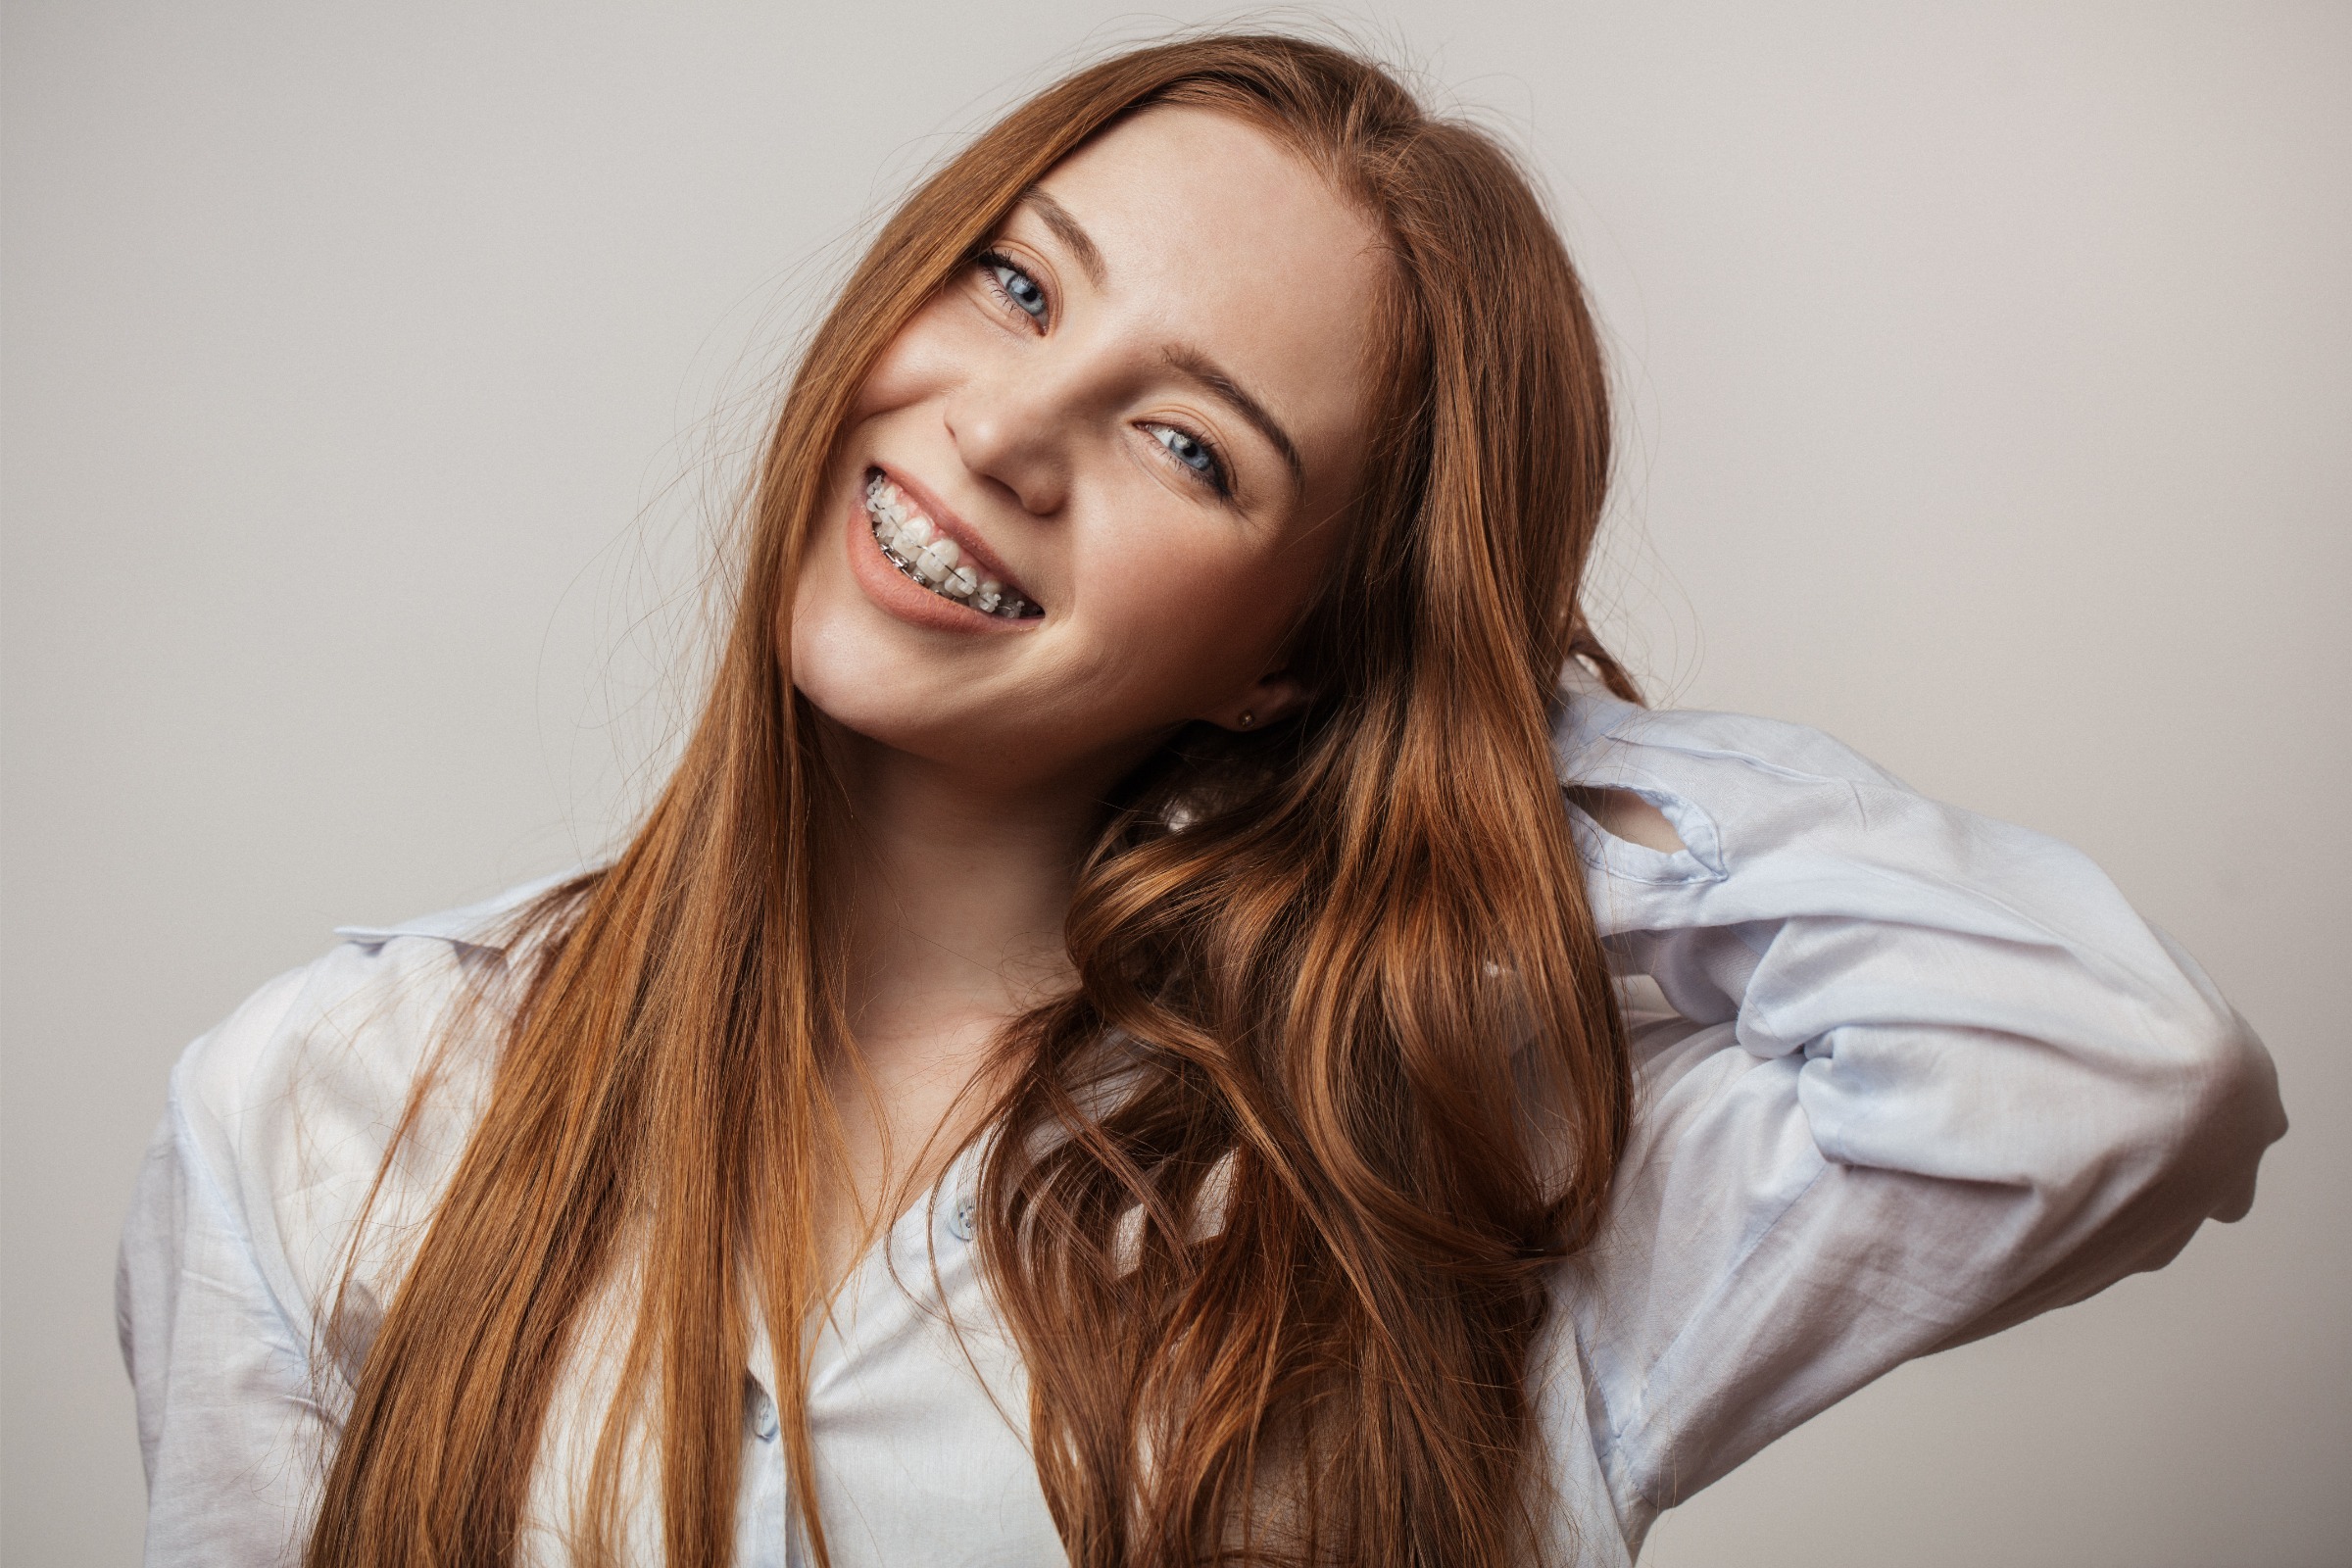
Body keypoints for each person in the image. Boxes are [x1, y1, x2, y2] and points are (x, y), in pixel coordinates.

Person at [116, 32, 2284, 1568]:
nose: (1006, 427)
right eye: (1017, 280)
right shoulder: (337, 1100)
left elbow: (2109, 1062)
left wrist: (1441, 718)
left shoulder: (1452, 1171)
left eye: (1193, 444)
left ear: (1292, 643)